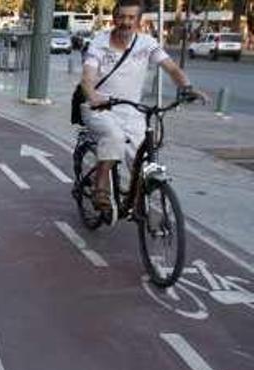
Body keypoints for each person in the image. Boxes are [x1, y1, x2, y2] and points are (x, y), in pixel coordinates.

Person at [79, 0, 205, 212]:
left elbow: (172, 68)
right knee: (114, 138)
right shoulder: (99, 43)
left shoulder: (146, 43)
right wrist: (92, 96)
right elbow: (88, 77)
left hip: (132, 111)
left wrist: (187, 87)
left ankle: (137, 199)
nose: (126, 22)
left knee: (143, 159)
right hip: (100, 108)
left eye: (131, 18)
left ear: (138, 21)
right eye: (121, 17)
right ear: (114, 19)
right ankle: (101, 186)